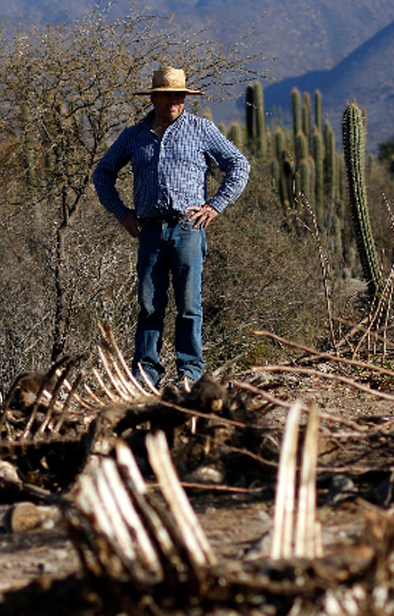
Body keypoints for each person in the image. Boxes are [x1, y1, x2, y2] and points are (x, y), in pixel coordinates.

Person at [93, 66, 250, 388]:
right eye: (167, 96)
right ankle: (145, 374)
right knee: (150, 305)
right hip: (149, 230)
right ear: (153, 98)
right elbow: (103, 172)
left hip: (187, 228)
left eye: (179, 95)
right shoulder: (133, 136)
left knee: (189, 305)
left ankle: (189, 372)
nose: (174, 102)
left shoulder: (201, 130)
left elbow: (239, 165)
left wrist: (215, 206)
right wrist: (122, 213)